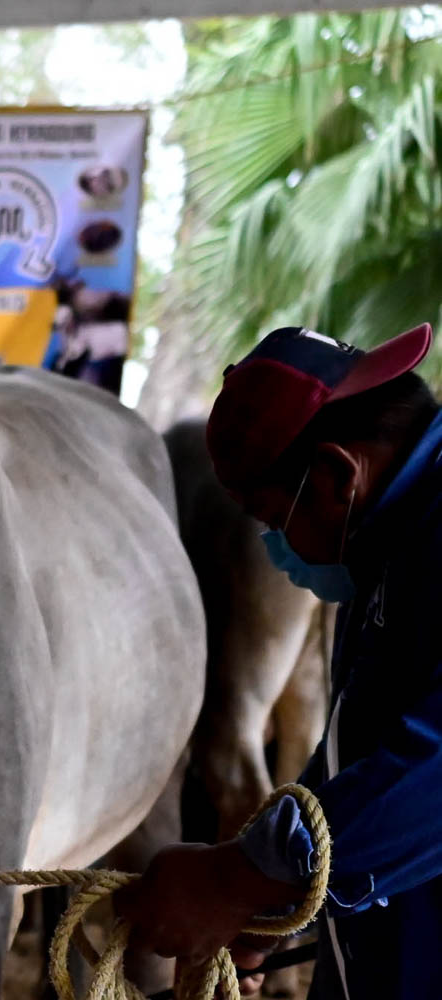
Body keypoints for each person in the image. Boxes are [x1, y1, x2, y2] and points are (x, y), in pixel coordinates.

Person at [118, 323, 442, 999]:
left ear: (334, 476)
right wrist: (271, 899)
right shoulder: (388, 541)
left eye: (271, 517)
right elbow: (359, 749)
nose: (276, 546)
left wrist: (239, 875)